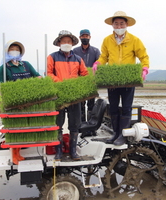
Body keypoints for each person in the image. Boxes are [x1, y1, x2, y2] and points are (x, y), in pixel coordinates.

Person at [93, 11, 150, 146]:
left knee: (126, 108)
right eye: (116, 24)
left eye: (121, 23)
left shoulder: (134, 40)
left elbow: (143, 57)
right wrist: (98, 63)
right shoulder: (107, 40)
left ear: (127, 24)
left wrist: (144, 68)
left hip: (128, 81)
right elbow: (104, 57)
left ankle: (123, 135)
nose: (119, 26)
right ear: (112, 25)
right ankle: (115, 133)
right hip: (112, 81)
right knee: (112, 108)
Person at [47, 30, 89, 161]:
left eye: (69, 41)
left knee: (74, 124)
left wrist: (77, 86)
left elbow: (85, 74)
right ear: (59, 43)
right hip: (58, 96)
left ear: (72, 43)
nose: (66, 43)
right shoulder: (52, 57)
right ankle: (58, 151)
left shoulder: (78, 59)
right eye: (64, 41)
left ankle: (73, 151)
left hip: (74, 97)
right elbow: (48, 74)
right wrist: (62, 83)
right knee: (58, 123)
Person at [0, 40, 41, 165]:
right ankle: (14, 155)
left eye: (17, 49)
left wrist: (39, 79)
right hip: (14, 104)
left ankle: (19, 153)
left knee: (24, 128)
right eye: (12, 49)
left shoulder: (26, 65)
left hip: (28, 102)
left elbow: (36, 76)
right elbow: (5, 87)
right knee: (15, 129)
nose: (15, 51)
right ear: (7, 51)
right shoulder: (4, 68)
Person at [73, 29, 101, 122]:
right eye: (83, 36)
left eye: (86, 36)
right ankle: (81, 124)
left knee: (91, 104)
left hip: (91, 81)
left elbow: (99, 65)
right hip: (79, 82)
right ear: (80, 37)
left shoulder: (95, 51)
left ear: (90, 37)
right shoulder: (75, 51)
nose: (85, 38)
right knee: (80, 104)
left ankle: (90, 125)